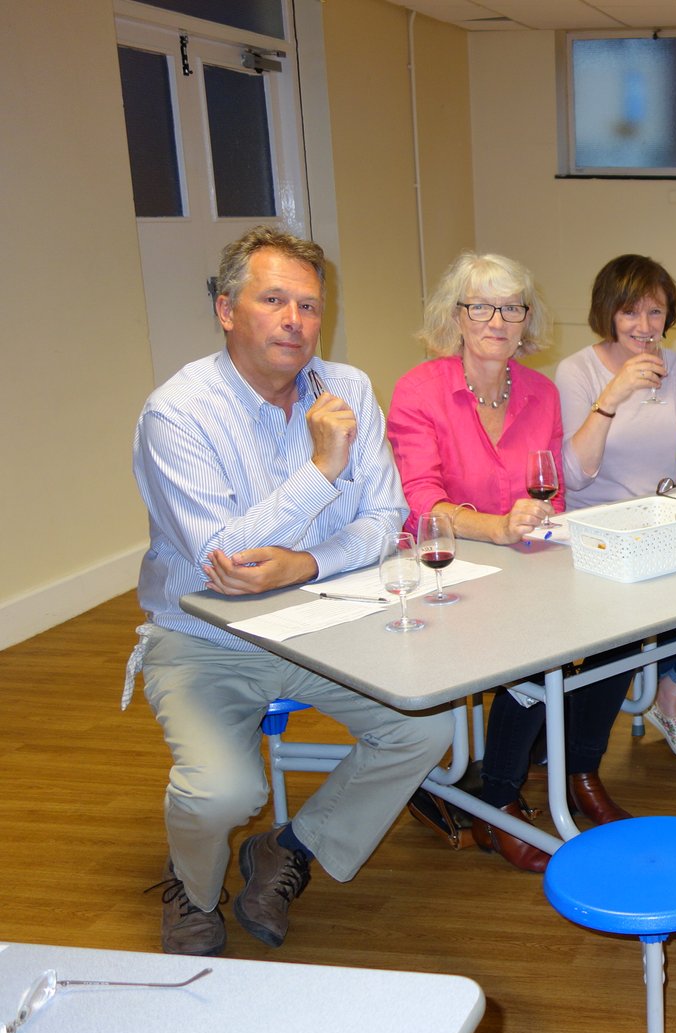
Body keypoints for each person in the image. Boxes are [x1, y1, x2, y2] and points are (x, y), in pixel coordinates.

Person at [127, 226, 455, 956]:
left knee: (426, 729)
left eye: (308, 305)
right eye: (273, 300)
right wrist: (322, 467)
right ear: (226, 310)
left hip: (321, 623)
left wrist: (303, 566)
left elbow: (387, 520)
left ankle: (289, 847)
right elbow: (224, 560)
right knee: (224, 792)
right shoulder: (177, 413)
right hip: (206, 637)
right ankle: (192, 887)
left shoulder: (349, 388)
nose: (294, 321)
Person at [388, 251, 604, 877]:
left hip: (523, 564)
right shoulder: (419, 390)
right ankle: (498, 799)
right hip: (445, 572)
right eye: (481, 307)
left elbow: (550, 497)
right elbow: (420, 505)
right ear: (456, 316)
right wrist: (499, 528)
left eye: (511, 308)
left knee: (616, 625)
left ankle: (579, 768)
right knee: (533, 645)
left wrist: (536, 530)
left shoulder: (540, 392)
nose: (498, 321)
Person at [556, 253, 676, 763]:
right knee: (629, 628)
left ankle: (669, 690)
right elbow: (573, 475)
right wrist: (613, 395)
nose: (644, 325)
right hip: (598, 536)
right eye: (630, 311)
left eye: (655, 312)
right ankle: (584, 748)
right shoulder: (577, 371)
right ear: (608, 312)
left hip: (663, 526)